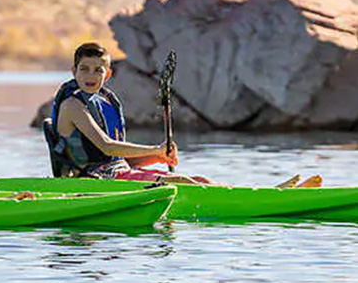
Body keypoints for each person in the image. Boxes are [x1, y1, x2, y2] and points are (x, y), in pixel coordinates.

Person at [46, 42, 322, 188]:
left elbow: (115, 157)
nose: (91, 76)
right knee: (182, 182)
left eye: (97, 70)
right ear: (74, 72)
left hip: (116, 173)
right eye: (84, 69)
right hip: (95, 182)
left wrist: (156, 156)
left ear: (108, 75)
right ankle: (268, 199)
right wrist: (154, 147)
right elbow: (106, 146)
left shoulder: (104, 101)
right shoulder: (73, 105)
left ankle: (265, 194)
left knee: (198, 180)